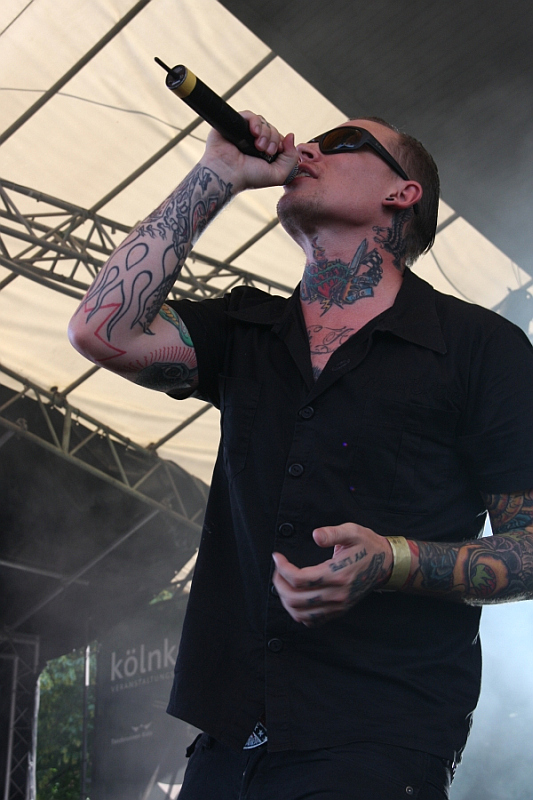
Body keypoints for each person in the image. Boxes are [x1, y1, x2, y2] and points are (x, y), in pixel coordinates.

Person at [68, 112, 533, 800]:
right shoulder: (246, 330)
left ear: (401, 193)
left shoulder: (479, 348)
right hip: (227, 742)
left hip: (377, 741)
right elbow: (101, 330)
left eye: (342, 143)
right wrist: (218, 173)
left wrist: (392, 561)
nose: (309, 148)